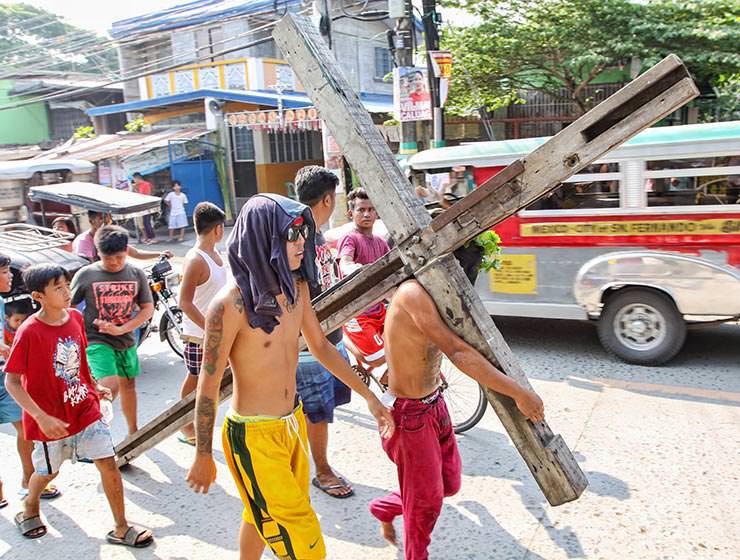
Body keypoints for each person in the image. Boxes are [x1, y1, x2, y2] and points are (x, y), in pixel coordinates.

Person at [186, 193, 394, 560]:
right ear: (266, 240)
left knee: (259, 515)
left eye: (303, 233)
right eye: (292, 234)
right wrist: (203, 453)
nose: (302, 243)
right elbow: (207, 383)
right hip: (252, 437)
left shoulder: (296, 289)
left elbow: (322, 348)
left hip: (291, 424)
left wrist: (371, 397)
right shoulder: (229, 305)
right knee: (305, 540)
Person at [368, 246, 545, 560]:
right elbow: (458, 352)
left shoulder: (434, 295)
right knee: (426, 505)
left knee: (449, 483)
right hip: (408, 416)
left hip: (434, 405)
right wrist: (519, 392)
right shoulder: (412, 293)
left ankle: (385, 507)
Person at [4, 263, 153, 546]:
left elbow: (81, 358)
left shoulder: (74, 317)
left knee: (108, 463)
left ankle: (121, 527)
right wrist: (40, 416)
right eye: (57, 287)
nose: (65, 291)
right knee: (48, 471)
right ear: (39, 296)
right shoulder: (29, 332)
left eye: (66, 284)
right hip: (50, 419)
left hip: (85, 409)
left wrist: (94, 386)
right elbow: (12, 381)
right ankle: (30, 505)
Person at [295, 166, 354, 498]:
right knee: (315, 412)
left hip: (327, 337)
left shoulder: (315, 234)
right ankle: (321, 470)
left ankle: (309, 463)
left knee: (317, 411)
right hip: (309, 346)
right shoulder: (299, 237)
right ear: (328, 199)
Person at [70, 225, 154, 435]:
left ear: (127, 250)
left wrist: (122, 329)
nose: (114, 262)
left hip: (126, 339)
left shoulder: (136, 274)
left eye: (119, 256)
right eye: (108, 258)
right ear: (98, 252)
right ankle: (93, 433)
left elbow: (147, 309)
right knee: (109, 387)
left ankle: (133, 432)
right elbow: (67, 307)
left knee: (128, 386)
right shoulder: (86, 275)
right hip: (96, 339)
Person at [0, 256, 60, 511]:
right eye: (4, 271)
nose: (10, 276)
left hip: (4, 377)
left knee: (25, 429)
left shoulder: (2, 302)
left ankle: (29, 479)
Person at [177, 202, 227, 445]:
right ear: (217, 229)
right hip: (199, 335)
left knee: (210, 380)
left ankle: (200, 421)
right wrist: (210, 329)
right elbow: (184, 302)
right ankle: (185, 426)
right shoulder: (196, 259)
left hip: (219, 332)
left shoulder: (216, 255)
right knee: (195, 378)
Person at [337, 188, 391, 376]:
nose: (367, 214)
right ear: (351, 213)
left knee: (410, 338)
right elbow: (345, 262)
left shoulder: (381, 242)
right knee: (377, 359)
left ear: (377, 212)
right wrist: (356, 268)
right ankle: (343, 338)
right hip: (357, 312)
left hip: (379, 308)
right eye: (361, 210)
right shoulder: (350, 238)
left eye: (371, 209)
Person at [73, 210, 172, 263]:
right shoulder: (84, 241)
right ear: (91, 221)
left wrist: (160, 254)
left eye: (107, 219)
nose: (105, 223)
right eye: (100, 219)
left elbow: (136, 253)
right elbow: (86, 265)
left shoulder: (110, 237)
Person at [131, 172, 157, 244]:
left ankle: (152, 238)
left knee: (147, 222)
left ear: (137, 178)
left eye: (134, 179)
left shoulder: (146, 184)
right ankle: (148, 238)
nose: (134, 181)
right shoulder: (138, 186)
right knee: (144, 223)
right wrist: (135, 189)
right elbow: (138, 195)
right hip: (142, 206)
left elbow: (148, 195)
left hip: (147, 206)